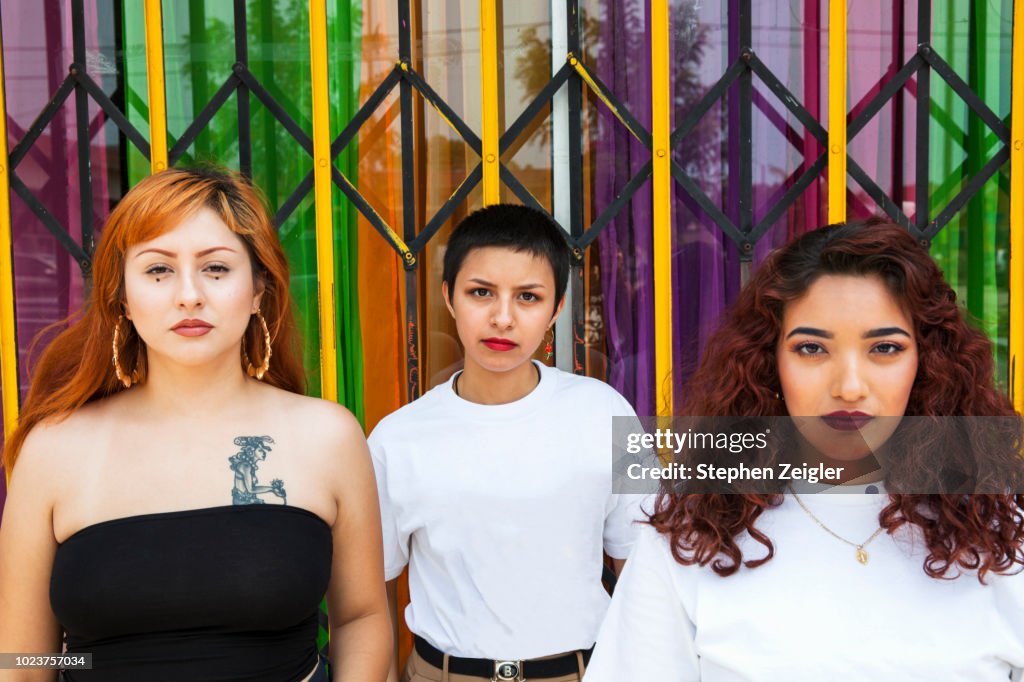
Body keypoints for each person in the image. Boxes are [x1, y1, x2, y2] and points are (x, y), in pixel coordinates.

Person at [585, 220, 1024, 681]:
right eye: (812, 348)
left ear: (928, 363)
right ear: (768, 361)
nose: (849, 388)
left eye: (885, 348)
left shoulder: (999, 533)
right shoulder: (691, 532)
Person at [0, 167, 391, 681]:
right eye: (158, 270)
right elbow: (26, 659)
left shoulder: (327, 436)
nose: (189, 295)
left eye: (216, 269)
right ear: (121, 296)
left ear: (258, 292)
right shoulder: (55, 450)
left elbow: (361, 616)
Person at [369, 204, 648, 682]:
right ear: (449, 298)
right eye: (481, 293)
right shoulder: (399, 437)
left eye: (528, 297)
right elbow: (370, 592)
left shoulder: (604, 412)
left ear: (556, 308)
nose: (502, 317)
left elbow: (641, 570)